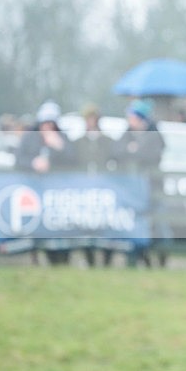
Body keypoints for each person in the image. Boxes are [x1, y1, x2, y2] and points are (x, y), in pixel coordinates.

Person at [15, 101, 78, 265]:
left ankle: (60, 259)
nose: (48, 127)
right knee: (35, 224)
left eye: (52, 123)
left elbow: (74, 160)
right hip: (34, 188)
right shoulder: (29, 137)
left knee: (57, 226)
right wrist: (33, 164)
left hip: (56, 191)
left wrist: (60, 147)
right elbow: (18, 159)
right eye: (45, 123)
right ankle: (34, 256)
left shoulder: (62, 138)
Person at [111, 99, 168, 267]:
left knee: (156, 224)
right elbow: (116, 151)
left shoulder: (153, 134)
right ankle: (140, 257)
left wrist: (134, 151)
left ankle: (160, 256)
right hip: (133, 189)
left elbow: (152, 155)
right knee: (136, 222)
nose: (130, 120)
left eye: (133, 116)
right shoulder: (127, 133)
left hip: (152, 188)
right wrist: (131, 150)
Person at [74, 104, 115, 267]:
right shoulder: (78, 142)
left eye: (93, 118)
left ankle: (106, 261)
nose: (91, 122)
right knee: (86, 225)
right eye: (88, 119)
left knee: (107, 225)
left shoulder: (107, 141)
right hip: (85, 189)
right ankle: (90, 260)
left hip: (103, 188)